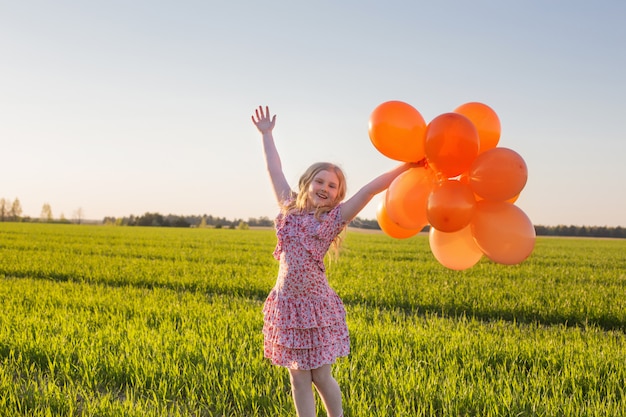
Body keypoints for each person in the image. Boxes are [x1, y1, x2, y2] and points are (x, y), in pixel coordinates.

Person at [251, 105, 420, 417]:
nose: (324, 188)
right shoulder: (289, 211)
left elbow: (369, 190)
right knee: (297, 377)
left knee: (321, 376)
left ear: (339, 193)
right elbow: (274, 171)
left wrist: (407, 166)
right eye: (320, 182)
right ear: (307, 183)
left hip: (316, 308)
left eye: (332, 185)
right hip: (288, 307)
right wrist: (267, 135)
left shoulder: (333, 220)